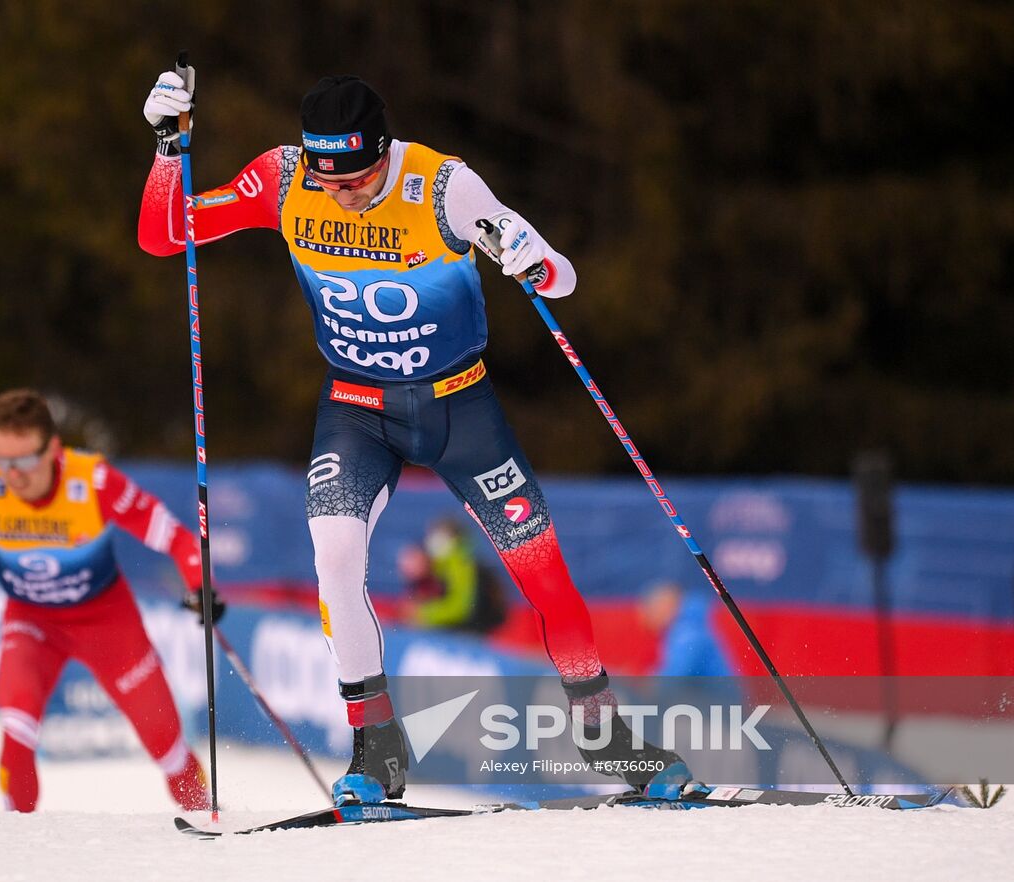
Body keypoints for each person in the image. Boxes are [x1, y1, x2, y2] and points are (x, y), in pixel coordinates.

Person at [137, 69, 692, 805]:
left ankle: (607, 738)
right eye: (329, 182)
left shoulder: (443, 186)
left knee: (543, 574)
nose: (342, 194)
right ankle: (377, 749)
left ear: (383, 151)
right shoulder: (283, 178)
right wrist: (168, 151)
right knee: (334, 555)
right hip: (357, 406)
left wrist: (531, 258)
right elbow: (164, 236)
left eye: (357, 179)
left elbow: (561, 281)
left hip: (460, 408)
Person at [0, 388, 222, 812]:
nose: (12, 475)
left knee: (167, 748)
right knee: (16, 728)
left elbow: (179, 539)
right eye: (2, 461)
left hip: (107, 623)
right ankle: (16, 846)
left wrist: (200, 585)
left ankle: (207, 817)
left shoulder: (91, 481)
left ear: (53, 449)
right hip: (33, 622)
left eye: (23, 462)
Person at [398, 519, 505, 634]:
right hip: (463, 627)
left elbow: (460, 607)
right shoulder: (439, 564)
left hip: (473, 629)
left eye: (437, 536)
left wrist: (424, 614)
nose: (431, 541)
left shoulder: (459, 563)